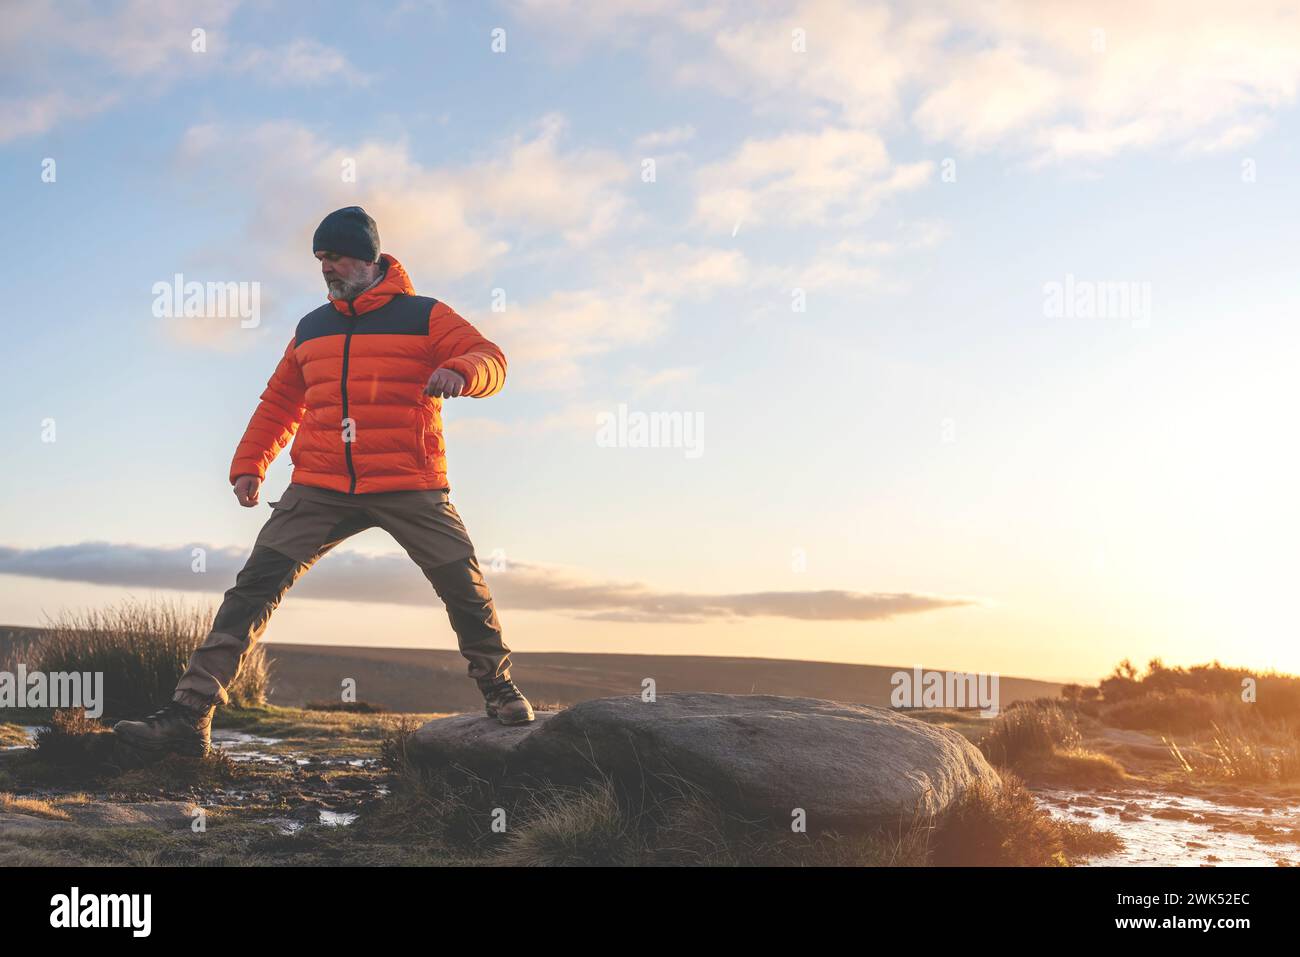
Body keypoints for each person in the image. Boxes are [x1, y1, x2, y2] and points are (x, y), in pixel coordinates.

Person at [114, 206, 533, 759]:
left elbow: (492, 358)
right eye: (318, 259)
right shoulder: (312, 326)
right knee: (252, 590)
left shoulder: (426, 315)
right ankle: (188, 716)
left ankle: (499, 690)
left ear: (368, 257)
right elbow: (282, 400)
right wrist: (249, 463)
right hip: (321, 482)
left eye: (333, 255)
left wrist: (462, 372)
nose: (325, 267)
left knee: (463, 582)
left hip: (408, 478)